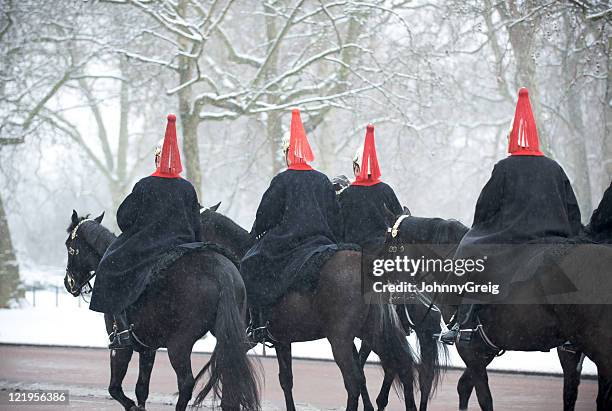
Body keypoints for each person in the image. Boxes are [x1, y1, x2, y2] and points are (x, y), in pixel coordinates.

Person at [439, 88, 582, 345]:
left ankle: (461, 321)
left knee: (468, 248)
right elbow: (572, 209)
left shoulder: (504, 167)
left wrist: (481, 228)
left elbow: (485, 208)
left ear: (513, 138)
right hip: (554, 240)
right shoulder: (554, 167)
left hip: (512, 239)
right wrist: (571, 236)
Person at [90, 114, 202, 349]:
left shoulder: (145, 185)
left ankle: (119, 327)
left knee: (110, 264)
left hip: (149, 246)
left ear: (157, 159)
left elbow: (124, 220)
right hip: (183, 247)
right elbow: (196, 224)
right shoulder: (187, 188)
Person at [241, 109, 343, 344]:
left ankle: (257, 324)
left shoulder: (283, 180)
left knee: (250, 264)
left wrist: (258, 234)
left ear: (289, 152)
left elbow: (265, 215)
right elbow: (335, 216)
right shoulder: (322, 180)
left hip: (288, 242)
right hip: (321, 242)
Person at [338, 124, 403, 248]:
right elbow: (399, 221)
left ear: (356, 168)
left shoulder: (346, 194)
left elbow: (338, 226)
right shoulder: (385, 190)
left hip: (352, 248)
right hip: (381, 248)